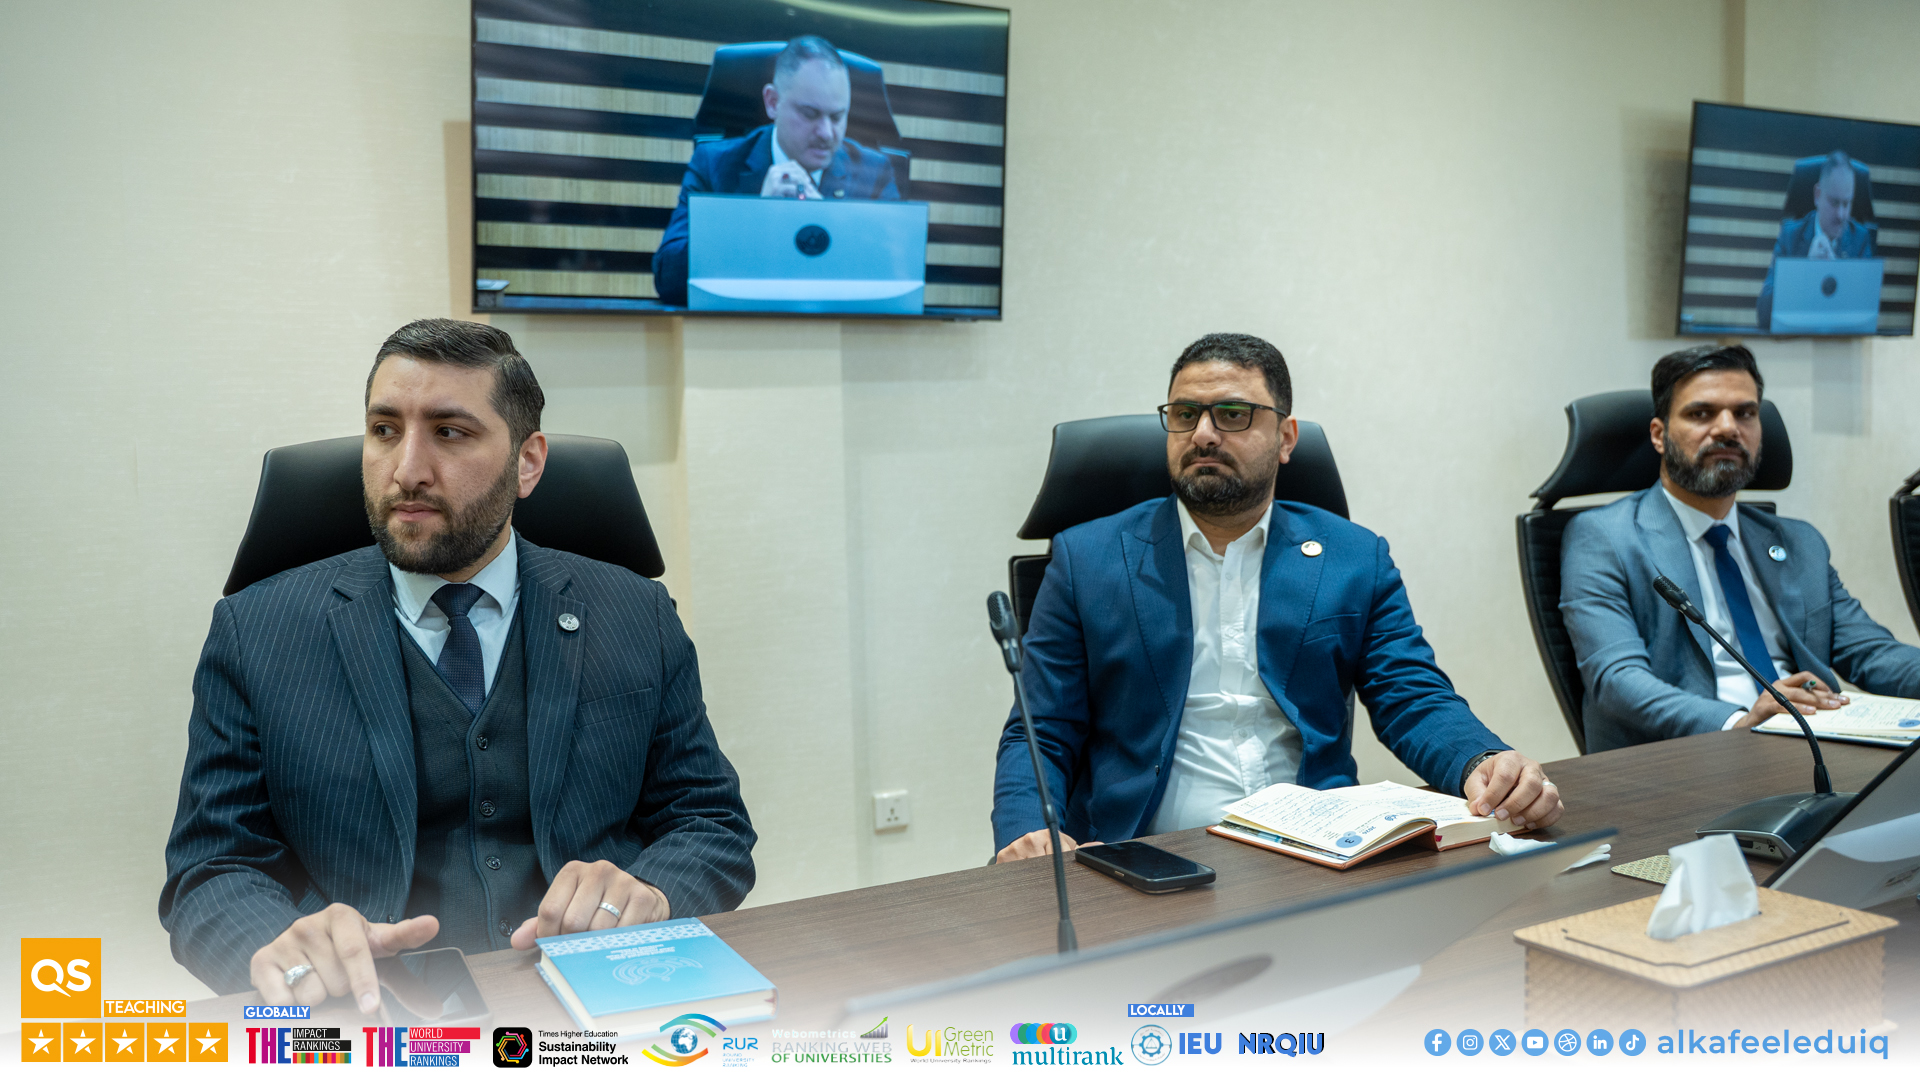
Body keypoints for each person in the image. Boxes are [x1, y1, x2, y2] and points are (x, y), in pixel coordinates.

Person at [160, 319, 755, 1007]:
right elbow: (210, 871)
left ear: (527, 463)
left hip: (592, 1001)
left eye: (449, 432)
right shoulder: (257, 631)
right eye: (384, 430)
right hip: (372, 1016)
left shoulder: (633, 612)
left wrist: (651, 892)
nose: (407, 469)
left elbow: (709, 821)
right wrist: (284, 952)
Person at [991, 334, 1564, 862]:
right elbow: (1041, 729)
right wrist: (1029, 831)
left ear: (1286, 438)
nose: (1204, 434)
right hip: (1149, 853)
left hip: (1315, 852)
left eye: (1232, 414)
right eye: (1185, 415)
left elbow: (1410, 695)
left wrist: (1483, 762)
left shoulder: (1353, 556)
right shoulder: (1088, 558)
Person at [1560, 343, 1920, 752]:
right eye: (1702, 413)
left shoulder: (1799, 542)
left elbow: (1870, 652)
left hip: (1812, 743)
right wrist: (1740, 722)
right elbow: (1617, 679)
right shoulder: (1604, 537)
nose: (1728, 428)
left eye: (1745, 413)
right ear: (1659, 435)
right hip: (1690, 757)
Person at [651, 35, 902, 306]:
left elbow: (899, 276)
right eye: (810, 114)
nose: (827, 133)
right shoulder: (714, 165)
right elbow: (668, 277)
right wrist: (755, 219)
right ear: (772, 102)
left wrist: (827, 220)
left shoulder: (874, 173)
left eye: (837, 117)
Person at [1756, 151, 1874, 330]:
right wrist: (1805, 272)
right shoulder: (1790, 236)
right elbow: (1763, 315)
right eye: (1834, 203)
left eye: (1846, 203)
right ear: (1818, 195)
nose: (1841, 214)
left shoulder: (1860, 239)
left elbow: (1866, 317)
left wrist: (1835, 272)